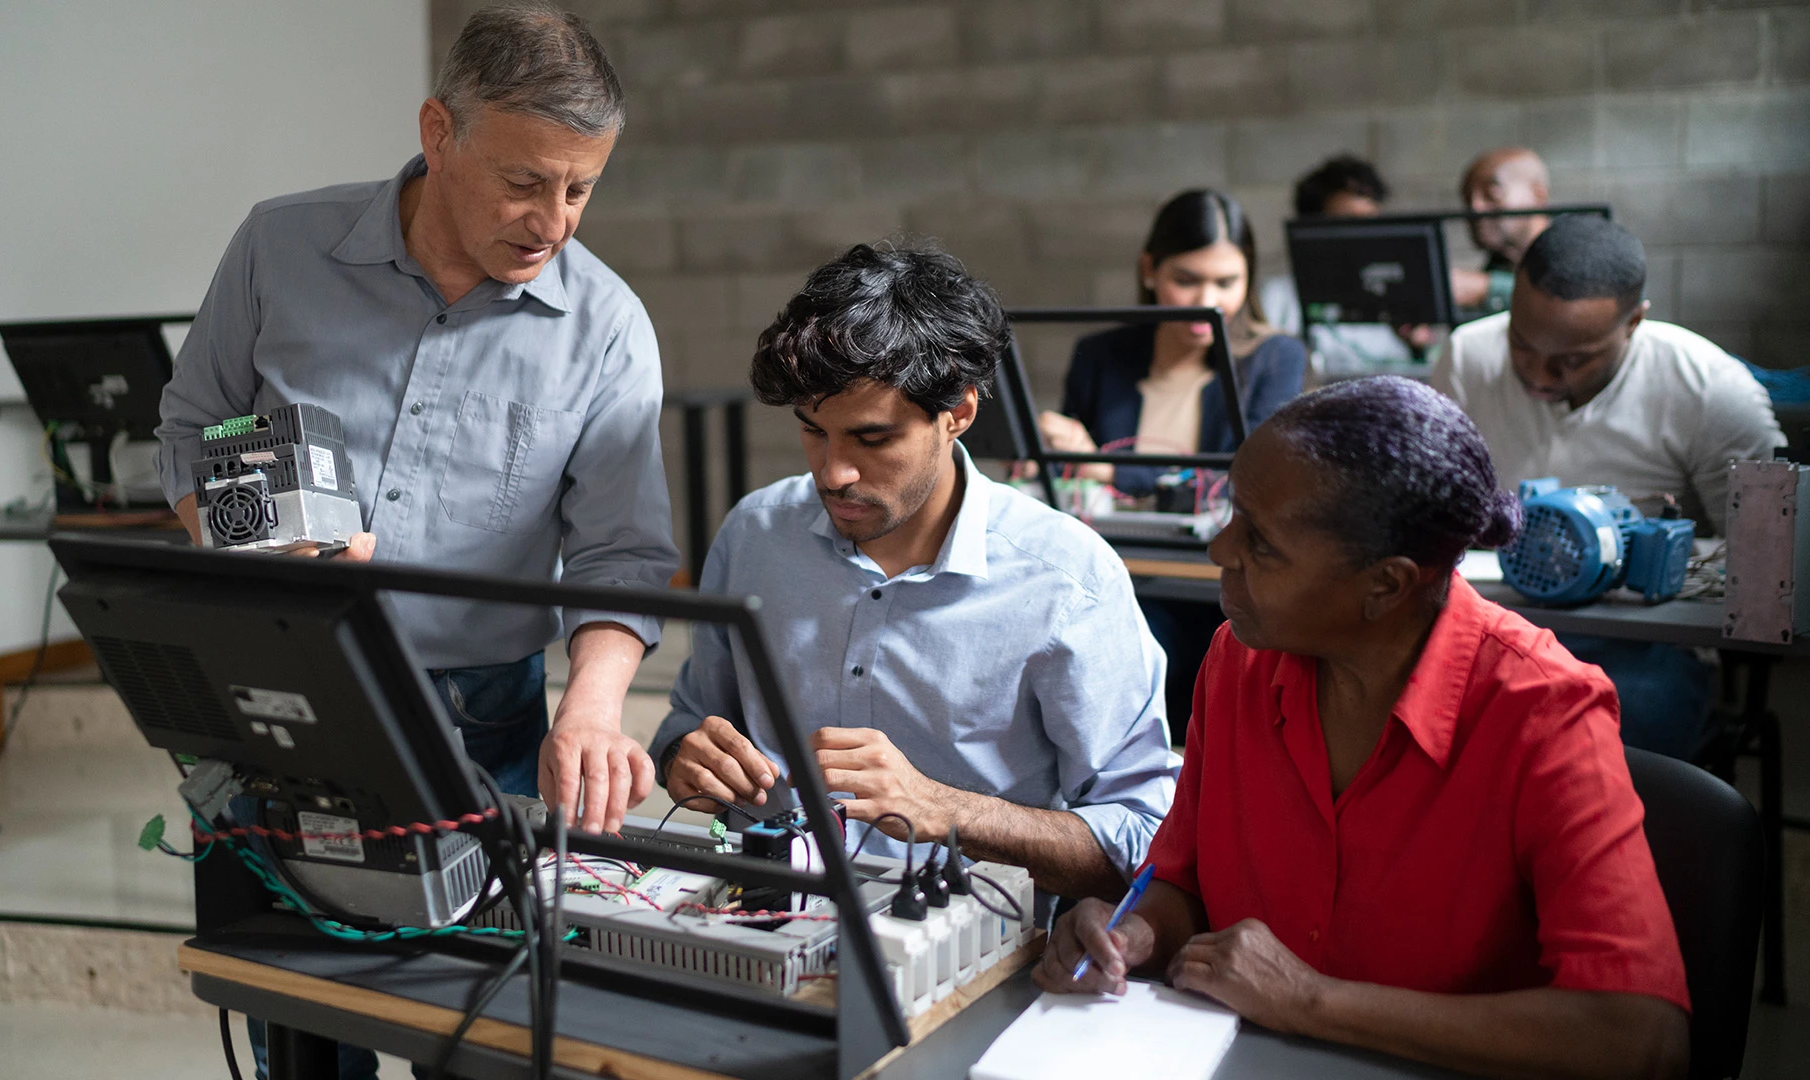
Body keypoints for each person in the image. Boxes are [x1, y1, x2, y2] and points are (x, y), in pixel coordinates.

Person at [157, 7, 675, 1075]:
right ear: (439, 132)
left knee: (486, 1032)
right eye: (528, 182)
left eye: (582, 188)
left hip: (483, 716)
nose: (556, 222)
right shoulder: (278, 246)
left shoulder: (608, 326)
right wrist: (254, 551)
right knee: (306, 1023)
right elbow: (192, 433)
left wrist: (590, 708)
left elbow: (621, 555)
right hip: (293, 699)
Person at [1035, 377, 1691, 1080]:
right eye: (1233, 516)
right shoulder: (1239, 662)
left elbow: (1639, 1036)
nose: (1220, 548)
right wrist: (1134, 933)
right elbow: (1183, 884)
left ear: (1386, 586)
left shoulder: (1542, 710)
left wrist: (1313, 1001)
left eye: (1260, 541)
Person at [652, 244, 1179, 906]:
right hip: (763, 920)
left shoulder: (1067, 582)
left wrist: (943, 810)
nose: (833, 472)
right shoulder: (755, 536)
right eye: (813, 431)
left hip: (969, 952)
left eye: (871, 440)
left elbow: (1142, 840)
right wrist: (682, 758)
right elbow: (687, 723)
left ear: (958, 413)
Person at [1433, 214, 1781, 758]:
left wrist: (1646, 560)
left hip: (1646, 645)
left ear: (1634, 322)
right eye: (1521, 344)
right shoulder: (1467, 355)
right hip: (1496, 626)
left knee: (1600, 742)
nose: (1541, 376)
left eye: (1573, 360)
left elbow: (1770, 564)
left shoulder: (1710, 387)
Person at [1039, 189, 1305, 743]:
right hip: (1108, 567)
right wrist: (1058, 451)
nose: (1209, 300)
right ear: (1149, 270)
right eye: (1188, 279)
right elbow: (1069, 481)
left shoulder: (1274, 358)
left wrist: (1106, 469)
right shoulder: (1101, 355)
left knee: (1133, 652)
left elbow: (1250, 476)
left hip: (1215, 582)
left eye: (1227, 283)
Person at [1258, 155, 1420, 371]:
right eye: (1348, 223)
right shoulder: (1279, 297)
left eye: (1371, 222)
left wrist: (1416, 346)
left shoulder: (1388, 298)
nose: (1363, 236)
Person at [1453, 147, 1554, 320]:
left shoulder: (1576, 250)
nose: (1475, 208)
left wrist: (1487, 289)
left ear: (1538, 195)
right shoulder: (1498, 266)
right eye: (1468, 198)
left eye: (1492, 195)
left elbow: (1567, 305)